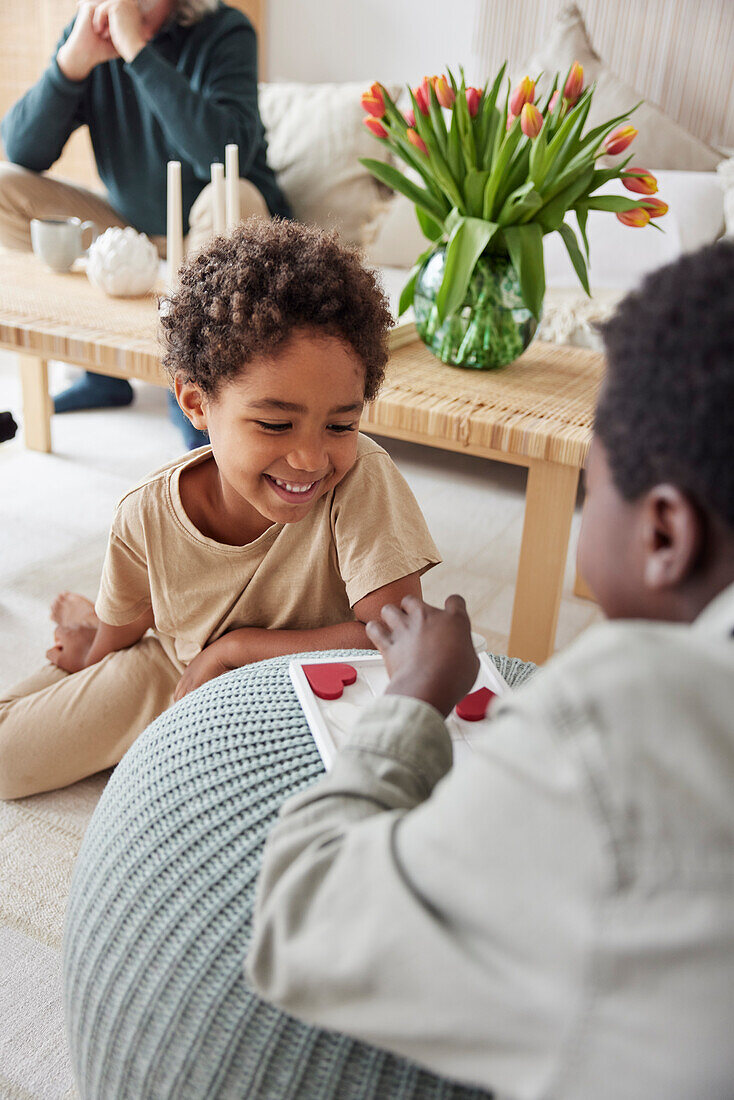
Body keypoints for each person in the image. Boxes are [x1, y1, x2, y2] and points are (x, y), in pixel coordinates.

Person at [247, 240, 734, 1099]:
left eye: (594, 478)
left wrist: (410, 701)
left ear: (664, 535)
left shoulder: (625, 717)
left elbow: (302, 921)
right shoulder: (149, 510)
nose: (312, 457)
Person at [0, 219, 440, 800]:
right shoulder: (145, 514)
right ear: (194, 402)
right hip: (177, 669)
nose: (311, 458)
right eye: (275, 424)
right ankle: (82, 634)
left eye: (341, 424)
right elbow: (128, 628)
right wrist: (98, 657)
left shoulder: (361, 478)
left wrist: (235, 650)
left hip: (300, 687)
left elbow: (399, 637)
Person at [0, 0, 290, 448]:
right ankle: (102, 372)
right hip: (131, 226)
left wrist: (137, 52)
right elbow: (23, 151)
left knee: (231, 194)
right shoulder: (91, 37)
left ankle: (196, 383)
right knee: (4, 186)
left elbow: (220, 151)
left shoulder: (226, 29)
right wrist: (71, 64)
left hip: (217, 220)